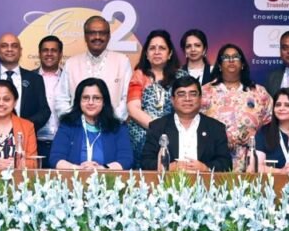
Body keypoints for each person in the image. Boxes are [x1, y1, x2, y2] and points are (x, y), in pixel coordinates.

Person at [200, 44, 273, 172]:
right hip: (213, 159)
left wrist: (255, 139)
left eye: (235, 57)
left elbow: (271, 125)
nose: (231, 60)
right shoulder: (205, 92)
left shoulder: (259, 93)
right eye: (226, 57)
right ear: (219, 65)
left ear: (242, 64)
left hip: (250, 160)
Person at [140, 76, 231, 173]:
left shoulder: (216, 128)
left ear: (200, 98)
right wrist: (168, 167)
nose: (187, 99)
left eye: (193, 94)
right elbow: (146, 162)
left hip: (205, 181)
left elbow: (226, 163)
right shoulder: (158, 127)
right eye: (181, 94)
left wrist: (205, 168)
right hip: (168, 181)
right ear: (172, 100)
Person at [55, 15, 132, 121]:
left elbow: (127, 97)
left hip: (113, 126)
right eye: (92, 33)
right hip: (77, 127)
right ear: (85, 36)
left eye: (102, 33)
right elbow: (61, 98)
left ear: (109, 36)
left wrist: (112, 120)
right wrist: (75, 121)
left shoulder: (122, 61)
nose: (97, 37)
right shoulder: (71, 63)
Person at [50, 78, 133, 171]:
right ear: (79, 101)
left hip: (108, 178)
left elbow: (126, 160)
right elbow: (55, 158)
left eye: (96, 98)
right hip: (74, 177)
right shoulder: (67, 125)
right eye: (85, 98)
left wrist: (101, 168)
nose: (90, 102)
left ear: (104, 102)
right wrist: (79, 169)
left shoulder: (118, 127)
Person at [127, 30, 181, 162]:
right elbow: (133, 108)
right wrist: (158, 129)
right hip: (143, 136)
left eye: (162, 48)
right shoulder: (139, 75)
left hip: (176, 134)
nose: (157, 52)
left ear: (170, 53)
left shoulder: (181, 77)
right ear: (146, 54)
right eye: (152, 48)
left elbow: (187, 107)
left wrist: (170, 131)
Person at [0, 32, 51, 133]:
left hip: (26, 136)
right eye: (4, 46)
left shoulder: (35, 79)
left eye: (14, 46)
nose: (9, 49)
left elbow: (44, 111)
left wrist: (23, 126)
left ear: (20, 51)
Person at [35, 35, 64, 162]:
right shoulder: (28, 78)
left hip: (63, 143)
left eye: (54, 50)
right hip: (34, 143)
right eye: (45, 50)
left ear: (60, 54)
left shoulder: (69, 78)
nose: (49, 54)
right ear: (39, 53)